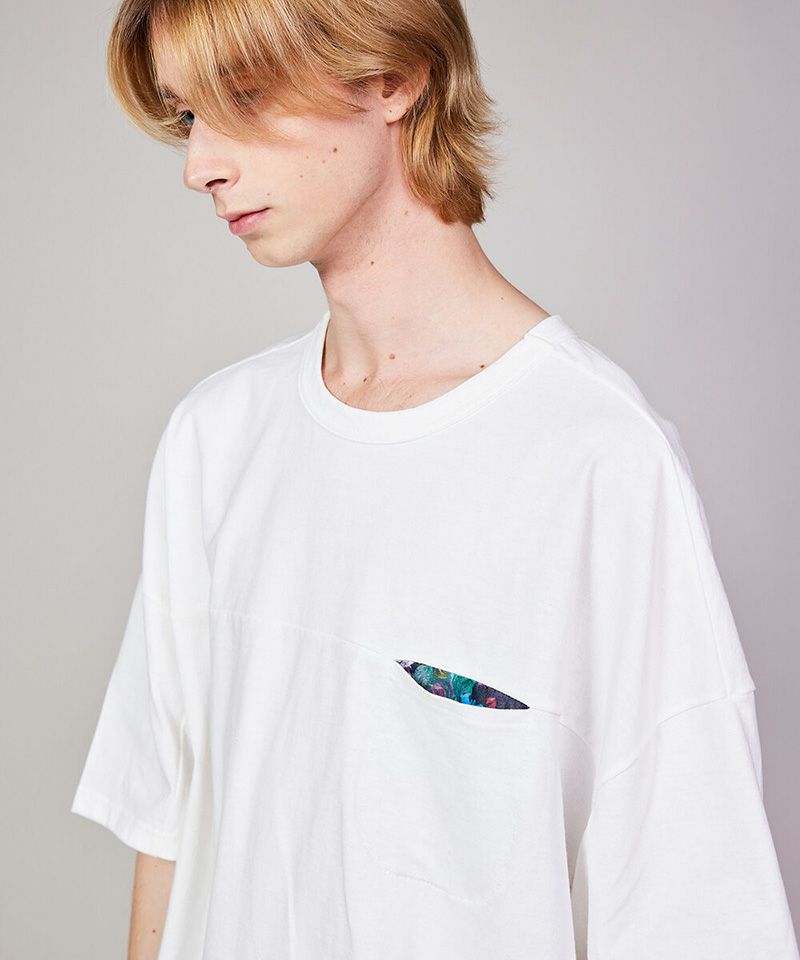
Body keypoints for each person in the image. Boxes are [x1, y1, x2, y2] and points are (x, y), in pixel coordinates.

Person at [70, 0, 800, 958]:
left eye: (241, 97)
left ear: (392, 78)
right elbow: (167, 826)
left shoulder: (597, 460)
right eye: (186, 115)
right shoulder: (218, 438)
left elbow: (692, 911)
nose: (198, 163)